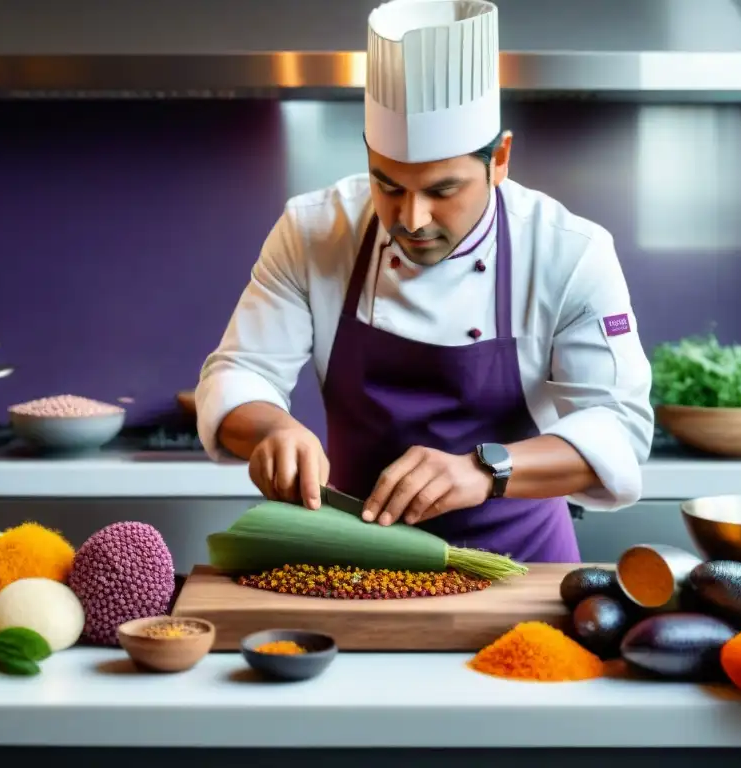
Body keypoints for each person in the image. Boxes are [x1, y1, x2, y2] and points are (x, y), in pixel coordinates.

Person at [195, 0, 654, 563]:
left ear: (500, 158)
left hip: (523, 566)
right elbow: (241, 372)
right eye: (387, 185)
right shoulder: (314, 229)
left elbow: (618, 431)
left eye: (442, 191)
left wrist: (488, 470)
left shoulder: (568, 252)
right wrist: (271, 430)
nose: (411, 219)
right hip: (356, 560)